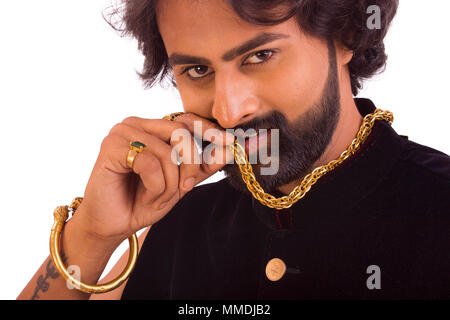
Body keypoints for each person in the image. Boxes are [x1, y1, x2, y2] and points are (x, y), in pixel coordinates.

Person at [18, 0, 450, 300]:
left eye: (260, 56)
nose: (228, 111)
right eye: (198, 69)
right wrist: (92, 233)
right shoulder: (179, 222)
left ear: (347, 35)